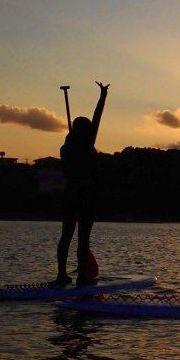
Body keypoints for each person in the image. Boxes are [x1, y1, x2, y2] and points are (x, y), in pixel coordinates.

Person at [55, 81, 109, 286]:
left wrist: (103, 95)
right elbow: (98, 118)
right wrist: (103, 96)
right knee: (82, 239)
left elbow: (94, 120)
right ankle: (81, 276)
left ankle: (62, 274)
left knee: (66, 236)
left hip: (70, 197)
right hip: (85, 197)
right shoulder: (86, 145)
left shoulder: (65, 149)